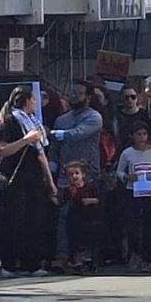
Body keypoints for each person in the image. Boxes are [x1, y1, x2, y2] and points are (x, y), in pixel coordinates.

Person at [0, 86, 55, 278]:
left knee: (34, 220)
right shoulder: (10, 120)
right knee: (13, 221)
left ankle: (32, 263)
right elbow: (2, 150)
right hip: (14, 177)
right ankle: (9, 264)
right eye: (33, 100)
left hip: (33, 177)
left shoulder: (34, 122)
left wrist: (50, 181)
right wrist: (25, 140)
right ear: (25, 101)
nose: (35, 103)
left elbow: (41, 154)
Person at [49, 81, 103, 265]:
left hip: (88, 178)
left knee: (87, 219)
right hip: (65, 178)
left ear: (87, 97)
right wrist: (52, 170)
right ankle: (63, 257)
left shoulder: (94, 117)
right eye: (71, 92)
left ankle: (88, 257)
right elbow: (54, 150)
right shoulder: (61, 119)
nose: (73, 96)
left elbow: (78, 133)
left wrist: (57, 133)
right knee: (64, 218)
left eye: (78, 93)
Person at [116, 121, 151, 272]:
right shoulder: (127, 153)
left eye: (144, 134)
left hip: (150, 192)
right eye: (139, 134)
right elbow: (119, 171)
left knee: (149, 225)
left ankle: (147, 258)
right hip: (133, 192)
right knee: (133, 225)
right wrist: (127, 177)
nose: (142, 137)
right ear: (133, 136)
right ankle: (134, 254)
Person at [63, 160, 103, 274]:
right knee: (75, 240)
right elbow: (62, 201)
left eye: (76, 173)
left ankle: (90, 261)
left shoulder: (91, 187)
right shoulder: (69, 190)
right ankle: (77, 262)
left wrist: (91, 200)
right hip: (75, 218)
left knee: (90, 240)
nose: (74, 176)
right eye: (70, 175)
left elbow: (101, 199)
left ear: (83, 174)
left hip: (90, 218)